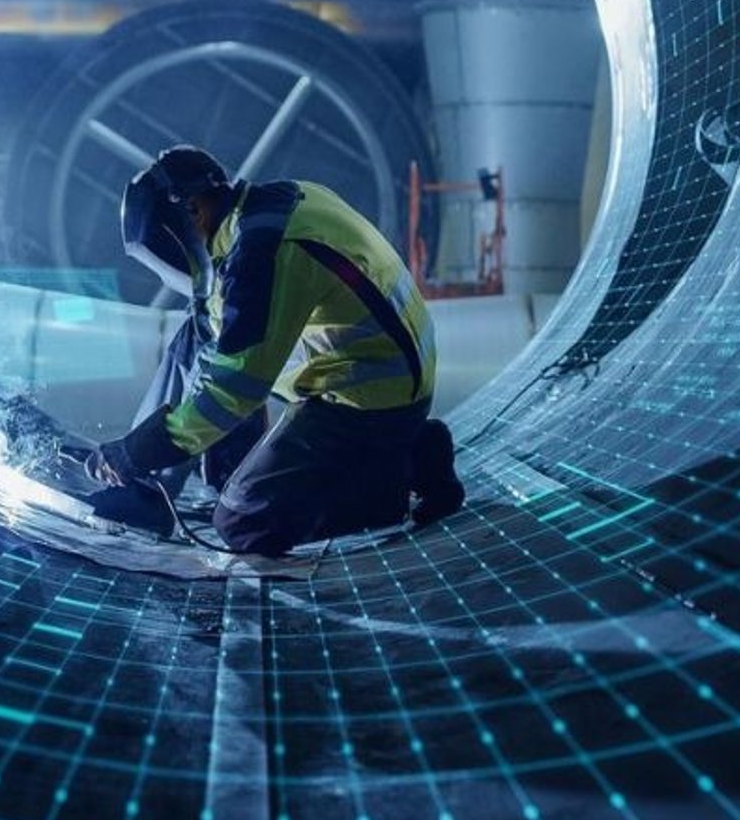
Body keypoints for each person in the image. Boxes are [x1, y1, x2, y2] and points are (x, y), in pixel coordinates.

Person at [86, 145, 465, 554]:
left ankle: (406, 469)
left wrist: (137, 451)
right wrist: (146, 459)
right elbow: (215, 334)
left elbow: (231, 389)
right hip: (380, 371)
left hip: (368, 400)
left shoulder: (264, 255)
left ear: (192, 210)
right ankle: (147, 493)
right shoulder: (273, 204)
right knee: (198, 335)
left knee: (243, 522)